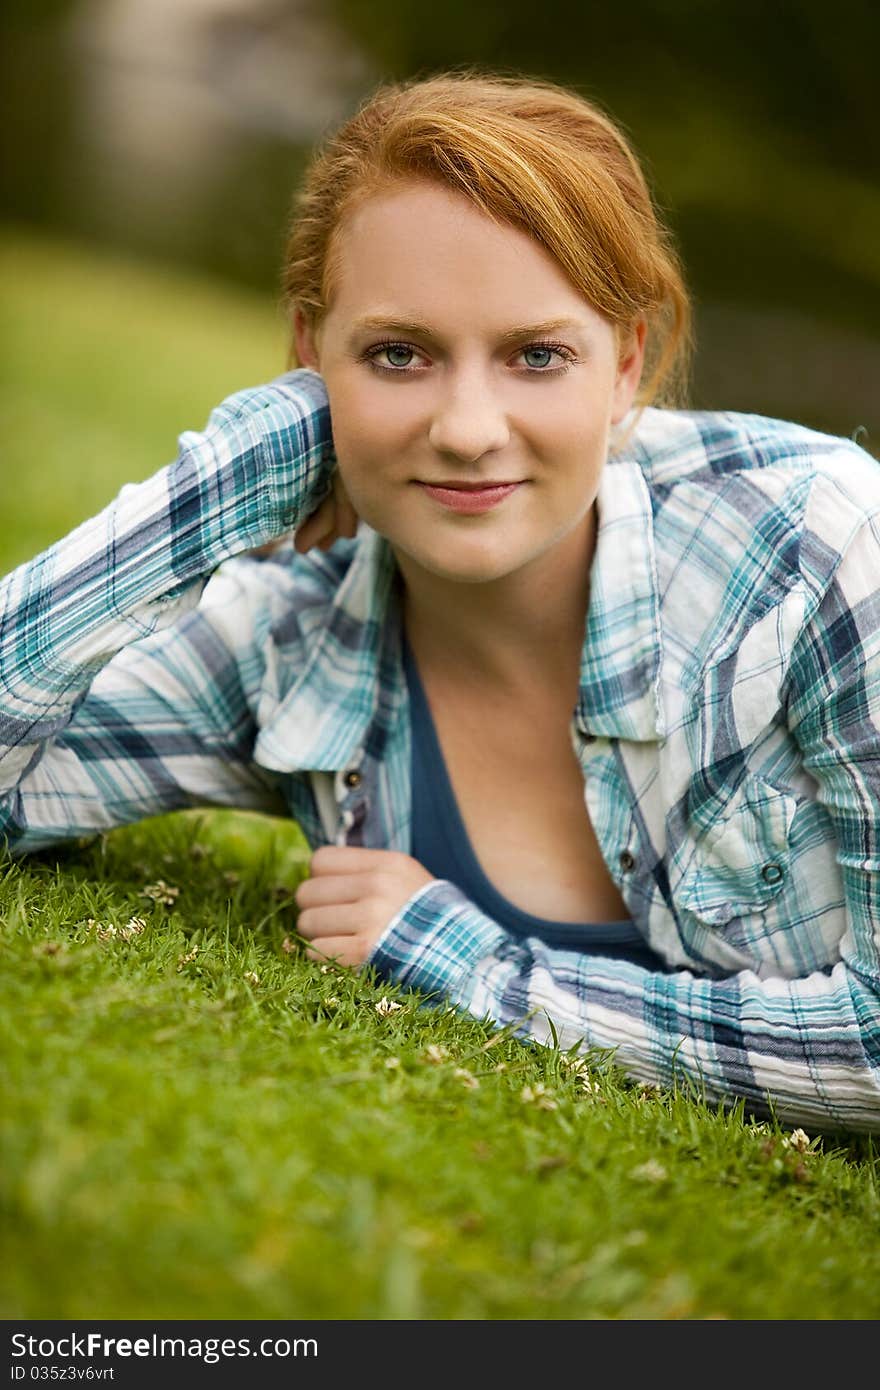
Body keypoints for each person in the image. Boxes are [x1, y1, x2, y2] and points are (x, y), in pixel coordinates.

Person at [2, 73, 879, 1134]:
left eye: (537, 355)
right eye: (396, 354)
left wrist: (468, 962)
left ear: (626, 367)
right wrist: (226, 482)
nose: (467, 427)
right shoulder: (288, 634)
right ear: (308, 360)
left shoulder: (819, 549)